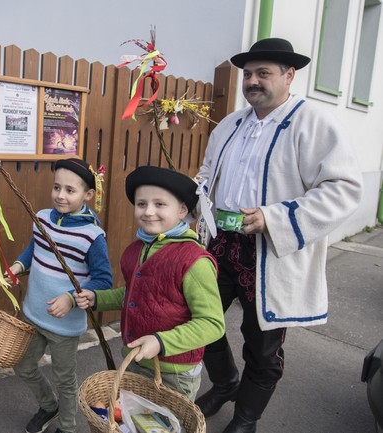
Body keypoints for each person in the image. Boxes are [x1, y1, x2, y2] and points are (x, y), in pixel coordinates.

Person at [194, 38, 363, 433]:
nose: (252, 81)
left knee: (263, 345)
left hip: (270, 251)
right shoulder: (232, 124)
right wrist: (195, 194)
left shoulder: (315, 123)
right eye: (248, 74)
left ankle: (246, 418)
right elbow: (208, 173)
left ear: (289, 76)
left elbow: (344, 188)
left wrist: (273, 218)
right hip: (222, 242)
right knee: (199, 321)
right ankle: (225, 383)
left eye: (263, 73)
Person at [74, 166, 225, 400]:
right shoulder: (136, 250)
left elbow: (212, 323)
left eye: (160, 204)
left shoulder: (194, 261)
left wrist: (160, 341)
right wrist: (97, 298)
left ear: (182, 210)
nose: (148, 211)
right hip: (134, 359)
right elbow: (135, 293)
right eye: (141, 204)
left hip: (174, 374)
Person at [7, 158, 113, 433]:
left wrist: (70, 296)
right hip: (33, 313)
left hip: (65, 326)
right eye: (57, 188)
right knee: (24, 366)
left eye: (70, 190)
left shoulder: (92, 236)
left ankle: (67, 426)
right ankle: (48, 405)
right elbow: (34, 249)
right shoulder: (41, 218)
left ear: (88, 195)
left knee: (64, 379)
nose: (60, 195)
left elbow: (103, 280)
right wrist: (19, 265)